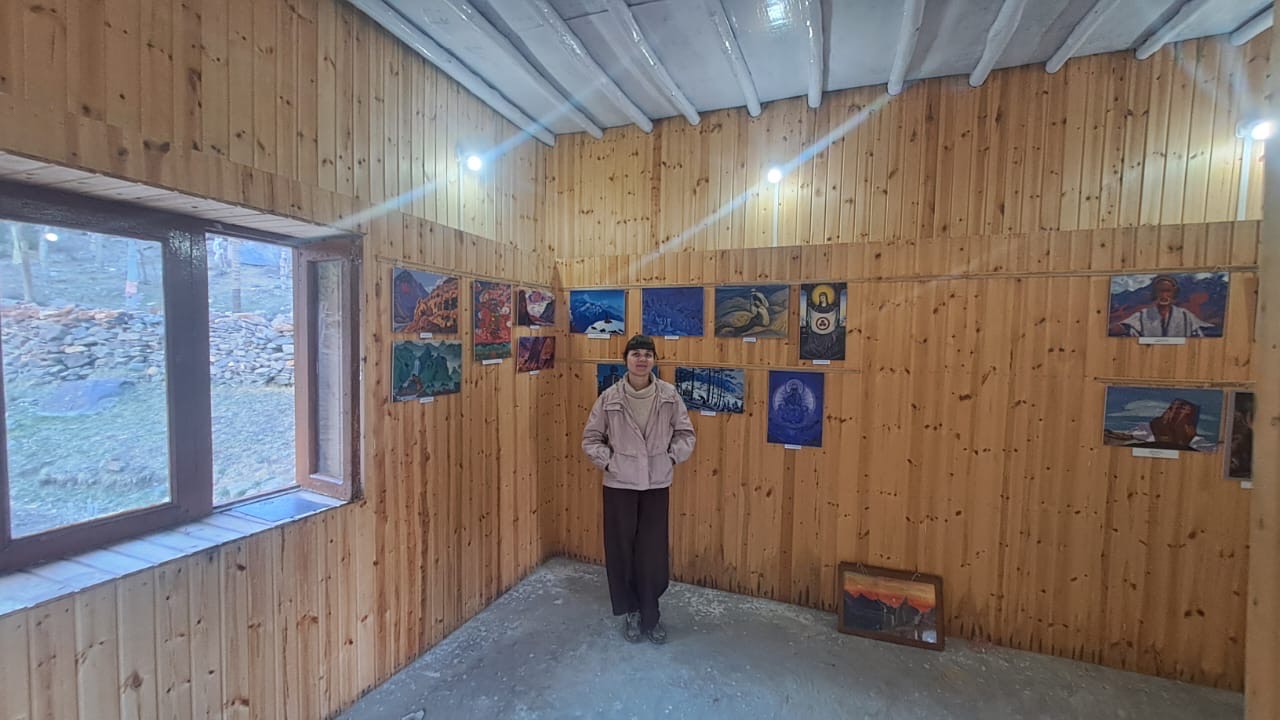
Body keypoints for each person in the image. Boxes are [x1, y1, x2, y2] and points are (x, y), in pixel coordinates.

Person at [582, 334, 695, 644]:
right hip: (619, 484)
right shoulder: (610, 398)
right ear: (626, 360)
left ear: (654, 360)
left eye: (647, 354)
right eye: (636, 354)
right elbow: (590, 439)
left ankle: (651, 613)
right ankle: (631, 611)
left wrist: (670, 457)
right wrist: (610, 462)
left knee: (653, 552)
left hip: (656, 484)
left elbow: (686, 434)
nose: (642, 359)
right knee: (621, 550)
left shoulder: (669, 396)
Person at [1119, 275, 1213, 337]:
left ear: (1174, 293)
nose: (1164, 295)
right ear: (1155, 293)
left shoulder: (1185, 315)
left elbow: (1198, 335)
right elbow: (1128, 330)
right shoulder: (1142, 315)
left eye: (1168, 291)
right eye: (1160, 291)